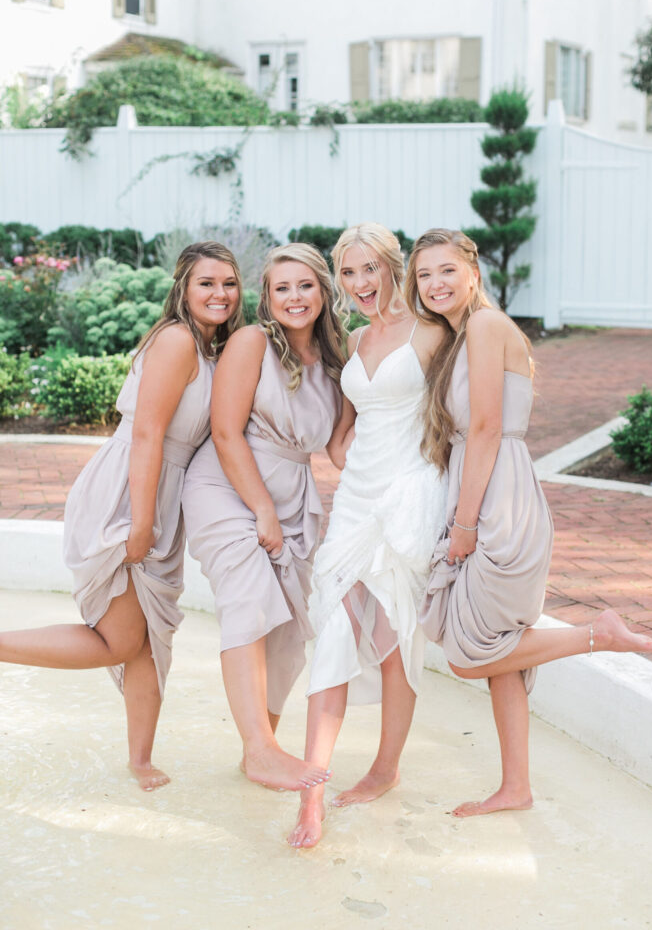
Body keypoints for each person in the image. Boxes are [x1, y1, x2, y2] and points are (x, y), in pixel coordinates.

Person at [405, 227, 652, 818]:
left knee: (470, 657)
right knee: (502, 649)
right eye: (424, 275)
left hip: (497, 496)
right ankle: (515, 787)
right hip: (482, 486)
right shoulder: (458, 336)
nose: (435, 284)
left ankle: (599, 635)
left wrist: (465, 524)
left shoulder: (484, 326)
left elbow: (488, 428)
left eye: (447, 270)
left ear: (473, 271)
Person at [0, 241, 243, 790]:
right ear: (182, 287)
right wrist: (140, 520)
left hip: (161, 491)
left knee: (149, 637)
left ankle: (139, 758)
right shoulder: (180, 340)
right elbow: (147, 434)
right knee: (119, 640)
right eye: (206, 283)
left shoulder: (210, 348)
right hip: (133, 490)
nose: (220, 293)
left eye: (228, 283)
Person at [288, 222, 447, 850]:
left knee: (395, 633)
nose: (359, 284)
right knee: (332, 629)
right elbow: (343, 428)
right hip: (356, 499)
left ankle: (385, 767)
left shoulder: (431, 332)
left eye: (369, 270)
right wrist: (341, 459)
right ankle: (313, 793)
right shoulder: (355, 338)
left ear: (392, 266)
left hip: (410, 495)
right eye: (347, 273)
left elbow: (458, 419)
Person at [182, 243, 345, 792]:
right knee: (250, 596)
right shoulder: (252, 343)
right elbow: (226, 432)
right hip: (225, 487)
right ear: (268, 298)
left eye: (304, 286)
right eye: (282, 288)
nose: (294, 297)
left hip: (293, 497)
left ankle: (263, 748)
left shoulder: (338, 361)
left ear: (323, 292)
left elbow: (343, 449)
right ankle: (260, 751)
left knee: (286, 628)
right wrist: (261, 511)